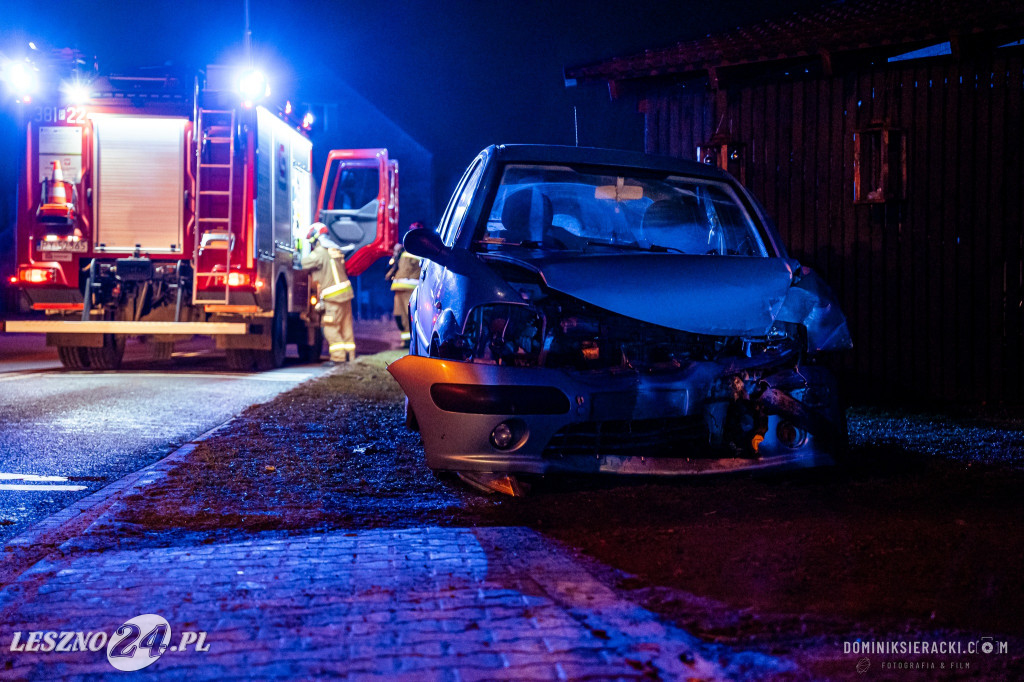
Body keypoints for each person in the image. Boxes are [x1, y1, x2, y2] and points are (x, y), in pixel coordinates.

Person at [298, 223, 355, 363]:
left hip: (333, 297)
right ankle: (350, 357)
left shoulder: (320, 252)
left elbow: (303, 264)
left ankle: (338, 358)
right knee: (346, 327)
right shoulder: (335, 249)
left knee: (330, 328)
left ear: (316, 237)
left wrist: (295, 255)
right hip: (346, 294)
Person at [385, 221, 424, 347]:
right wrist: (396, 254)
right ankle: (406, 340)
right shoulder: (404, 249)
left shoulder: (422, 249)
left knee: (410, 315)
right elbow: (394, 266)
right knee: (399, 315)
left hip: (411, 289)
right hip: (398, 288)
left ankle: (413, 341)